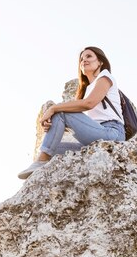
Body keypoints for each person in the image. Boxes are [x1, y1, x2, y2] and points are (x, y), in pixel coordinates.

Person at [18, 46, 125, 179]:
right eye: (81, 59)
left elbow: (88, 103)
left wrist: (53, 109)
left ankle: (41, 161)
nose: (83, 60)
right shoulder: (87, 89)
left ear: (100, 62)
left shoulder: (105, 77)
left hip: (112, 133)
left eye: (89, 56)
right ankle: (42, 165)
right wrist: (52, 125)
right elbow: (79, 122)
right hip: (95, 137)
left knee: (60, 111)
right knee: (52, 149)